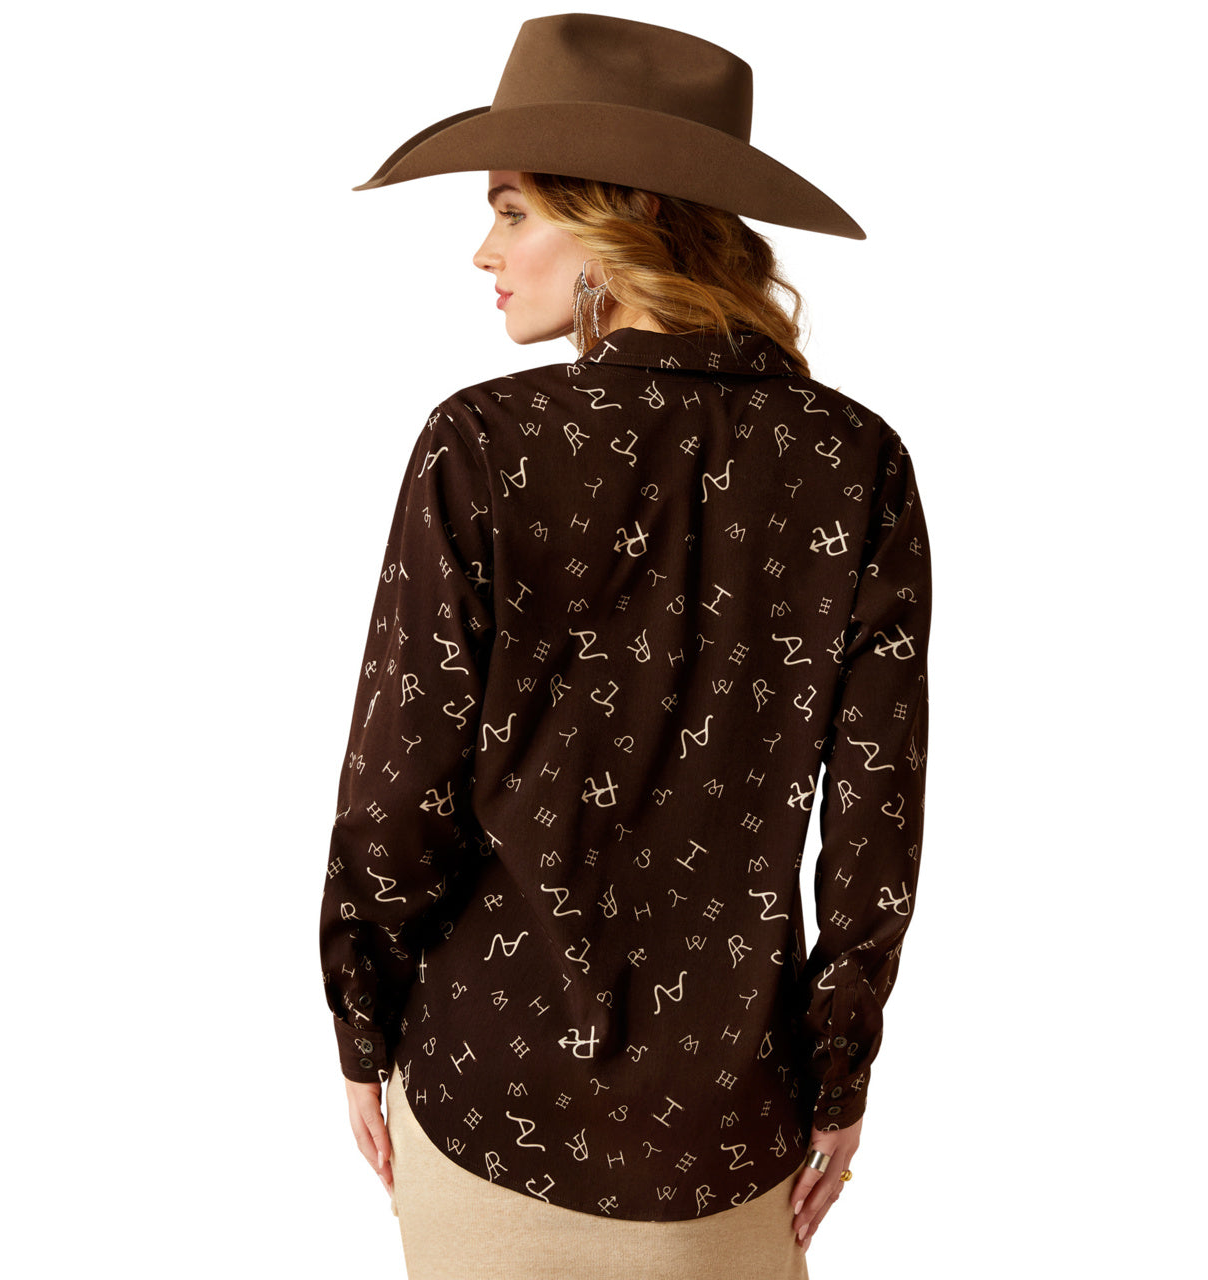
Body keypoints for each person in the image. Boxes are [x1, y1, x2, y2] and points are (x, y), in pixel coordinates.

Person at [320, 14, 930, 1277]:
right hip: (731, 1115)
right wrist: (837, 1067)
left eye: (512, 209)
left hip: (488, 1090)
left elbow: (396, 789)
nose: (482, 250)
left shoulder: (481, 442)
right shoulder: (854, 461)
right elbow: (874, 814)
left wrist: (360, 1023)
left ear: (627, 211)